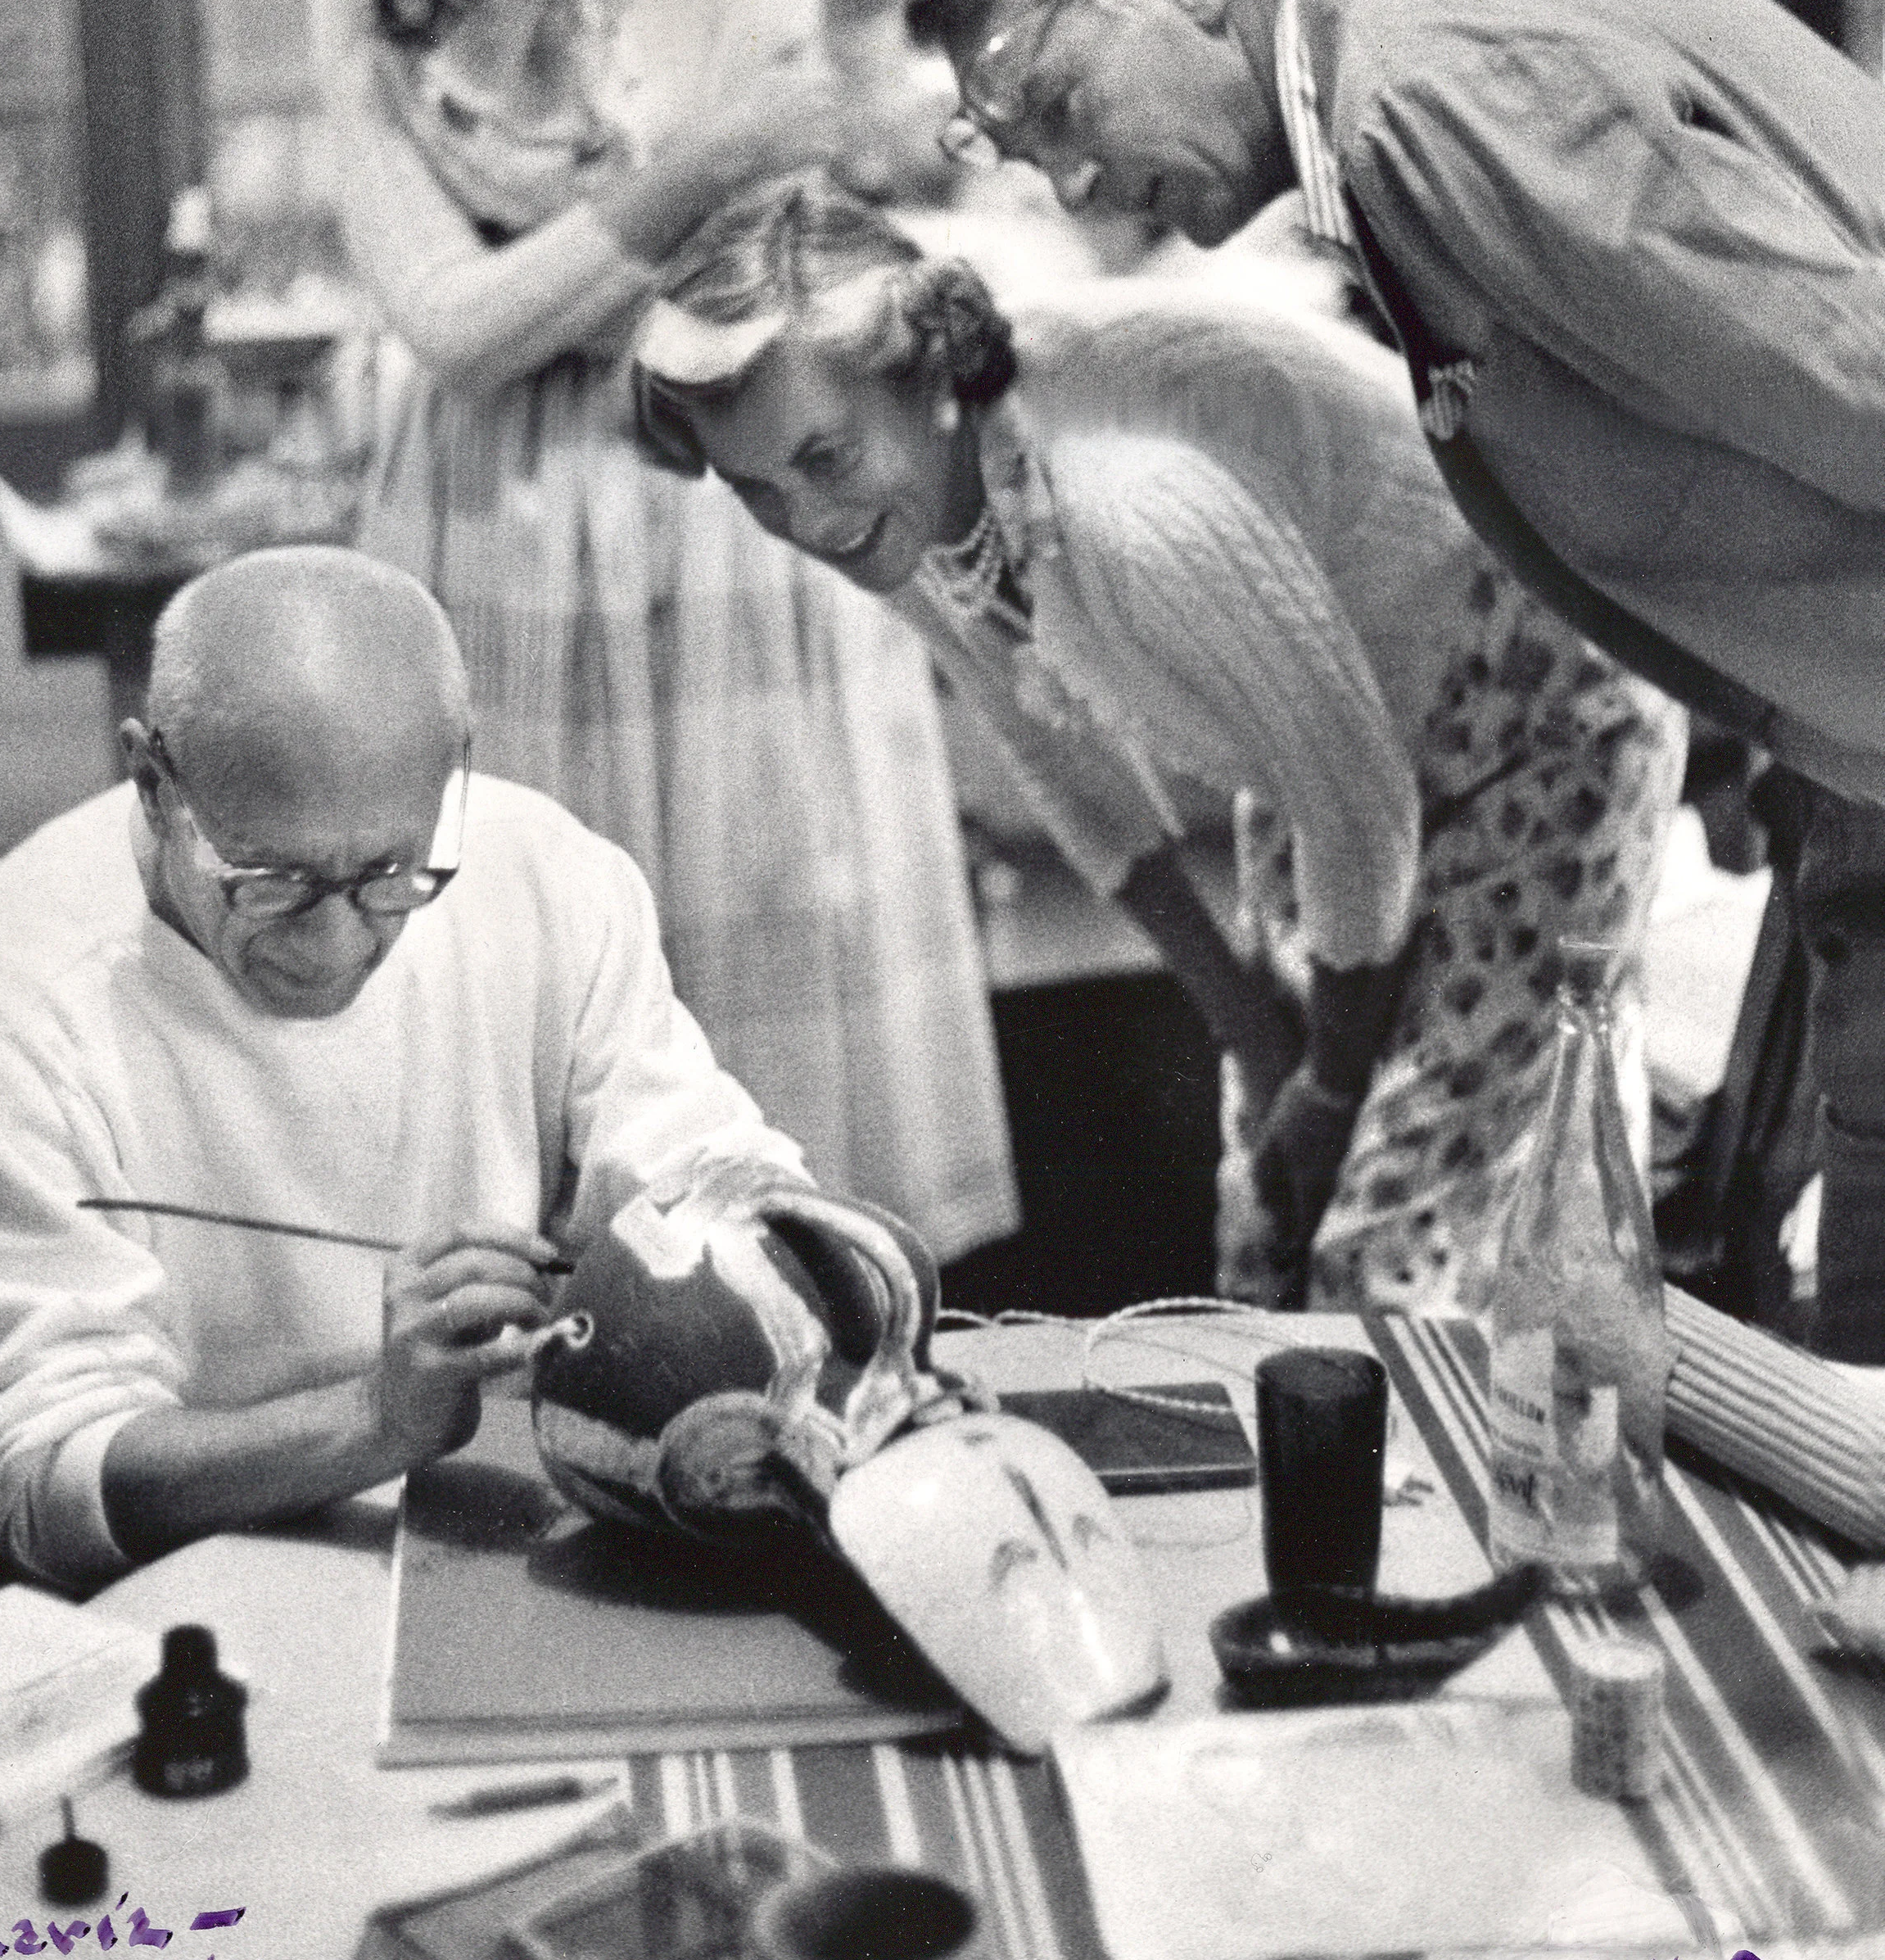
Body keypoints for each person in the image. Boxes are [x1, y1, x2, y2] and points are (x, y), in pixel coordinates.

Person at [899, 0, 1885, 1360]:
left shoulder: (1436, 95)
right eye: (1028, 155)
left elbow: (1848, 374)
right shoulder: (1394, 84)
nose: (1079, 175)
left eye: (1062, 105)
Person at [308, 0, 1014, 1264]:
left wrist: (606, 249)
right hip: (479, 512)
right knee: (517, 954)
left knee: (755, 919)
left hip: (709, 478)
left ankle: (804, 1318)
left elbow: (734, 287)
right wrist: (689, 166)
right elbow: (453, 331)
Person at [629, 179, 1686, 1315]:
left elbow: (1361, 817)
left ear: (933, 381)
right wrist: (1253, 1032)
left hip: (1540, 724)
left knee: (1386, 1252)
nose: (806, 523)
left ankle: (1474, 1447)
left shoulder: (1125, 497)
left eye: (824, 461)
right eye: (756, 492)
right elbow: (1064, 766)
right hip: (1325, 736)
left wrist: (1327, 1089)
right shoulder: (911, 508)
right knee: (1269, 1216)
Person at [0, 548, 827, 1595]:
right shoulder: (0, 1007)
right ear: (152, 784)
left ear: (452, 770)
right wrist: (374, 1419)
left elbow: (699, 1169)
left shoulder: (550, 879)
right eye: (270, 882)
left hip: (495, 1534)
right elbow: (43, 1478)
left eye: (390, 876)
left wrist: (806, 1253)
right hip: (194, 1591)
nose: (335, 943)